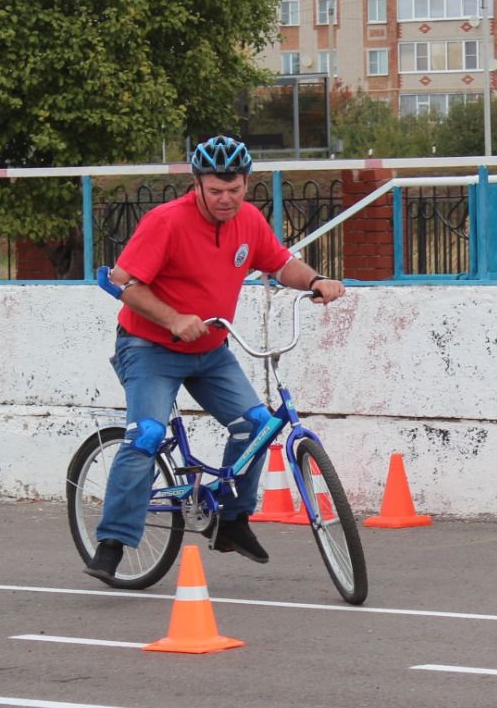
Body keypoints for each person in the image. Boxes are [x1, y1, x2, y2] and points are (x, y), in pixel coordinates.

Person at [85, 135, 345, 585]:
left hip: (211, 349)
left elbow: (281, 264)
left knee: (257, 425)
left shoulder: (248, 220)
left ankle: (232, 520)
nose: (226, 199)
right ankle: (111, 543)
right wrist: (173, 318)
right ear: (198, 184)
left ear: (246, 183)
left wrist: (317, 280)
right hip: (149, 347)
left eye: (235, 189)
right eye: (216, 190)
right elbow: (122, 284)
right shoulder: (165, 222)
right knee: (146, 433)